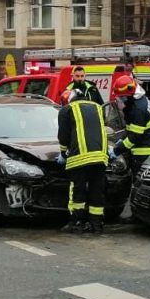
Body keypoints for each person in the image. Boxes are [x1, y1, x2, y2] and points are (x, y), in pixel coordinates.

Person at [57, 89, 110, 235]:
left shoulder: (66, 110)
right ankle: (96, 224)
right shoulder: (98, 107)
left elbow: (63, 136)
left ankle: (76, 222)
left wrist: (63, 153)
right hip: (100, 156)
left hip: (79, 157)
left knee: (77, 190)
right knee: (97, 190)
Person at [111, 73, 150, 175]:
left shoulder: (138, 109)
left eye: (121, 97)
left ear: (128, 96)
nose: (119, 100)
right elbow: (132, 128)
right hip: (147, 147)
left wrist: (117, 150)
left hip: (143, 153)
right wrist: (122, 139)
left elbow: (135, 137)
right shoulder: (140, 100)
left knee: (139, 181)